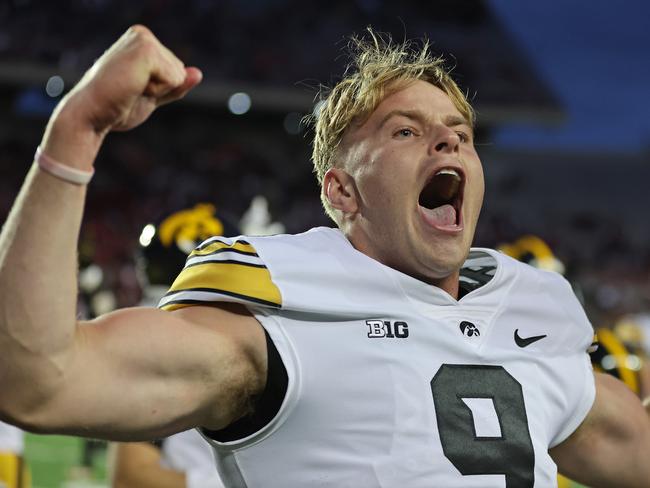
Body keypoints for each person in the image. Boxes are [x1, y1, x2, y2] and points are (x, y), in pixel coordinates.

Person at [0, 24, 649, 487]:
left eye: (459, 135)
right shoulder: (278, 322)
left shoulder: (527, 317)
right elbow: (35, 382)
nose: (447, 146)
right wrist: (75, 134)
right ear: (341, 190)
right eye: (407, 131)